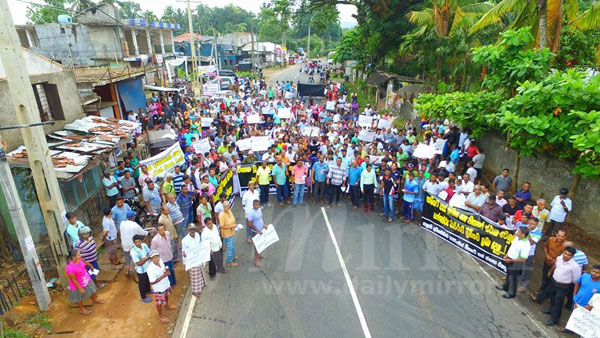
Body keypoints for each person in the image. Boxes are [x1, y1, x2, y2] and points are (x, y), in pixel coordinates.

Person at [534, 247, 581, 326]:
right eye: (565, 253)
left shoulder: (575, 267)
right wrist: (550, 271)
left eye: (569, 255)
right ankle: (550, 310)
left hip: (563, 286)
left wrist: (572, 289)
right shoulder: (559, 258)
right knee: (552, 297)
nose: (566, 256)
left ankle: (554, 319)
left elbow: (576, 280)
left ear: (572, 256)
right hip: (553, 281)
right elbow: (555, 266)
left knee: (558, 302)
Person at [65, 249, 103, 315]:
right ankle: (82, 309)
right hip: (77, 284)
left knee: (91, 289)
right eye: (78, 254)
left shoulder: (79, 259)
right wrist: (79, 288)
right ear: (74, 257)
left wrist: (90, 266)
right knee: (78, 297)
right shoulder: (70, 268)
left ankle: (95, 299)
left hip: (86, 279)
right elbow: (74, 280)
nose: (80, 255)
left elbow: (85, 262)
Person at [496, 226, 530, 299]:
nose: (517, 232)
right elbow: (511, 247)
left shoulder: (526, 245)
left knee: (513, 278)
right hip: (509, 259)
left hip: (516, 262)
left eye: (519, 232)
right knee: (508, 274)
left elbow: (523, 259)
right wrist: (507, 255)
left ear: (523, 234)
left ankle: (511, 293)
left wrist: (511, 260)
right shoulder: (517, 238)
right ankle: (505, 287)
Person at [147, 249, 177, 323]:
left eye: (157, 256)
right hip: (159, 288)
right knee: (159, 302)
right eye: (153, 257)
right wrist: (164, 275)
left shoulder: (161, 261)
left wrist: (166, 271)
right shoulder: (150, 269)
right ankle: (160, 315)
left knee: (167, 295)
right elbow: (152, 282)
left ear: (159, 256)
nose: (156, 259)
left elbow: (164, 270)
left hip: (165, 284)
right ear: (151, 259)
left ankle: (166, 306)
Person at [181, 223, 209, 297]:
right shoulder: (185, 240)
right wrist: (185, 257)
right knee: (194, 278)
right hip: (192, 262)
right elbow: (184, 252)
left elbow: (200, 245)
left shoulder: (197, 235)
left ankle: (200, 286)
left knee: (200, 274)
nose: (192, 230)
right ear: (188, 230)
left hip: (199, 259)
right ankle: (195, 291)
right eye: (191, 229)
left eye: (193, 229)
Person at [538, 229, 568, 295]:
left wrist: (556, 261)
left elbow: (566, 257)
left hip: (557, 266)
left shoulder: (566, 245)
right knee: (545, 277)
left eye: (562, 236)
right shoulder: (551, 239)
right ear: (556, 235)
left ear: (565, 237)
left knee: (553, 280)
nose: (560, 237)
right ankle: (542, 291)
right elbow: (545, 247)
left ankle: (549, 294)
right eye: (559, 235)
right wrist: (546, 255)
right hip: (547, 262)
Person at [119, 211, 148, 277]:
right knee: (136, 257)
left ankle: (127, 270)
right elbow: (143, 232)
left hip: (125, 244)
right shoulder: (134, 225)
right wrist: (147, 233)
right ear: (133, 217)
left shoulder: (122, 223)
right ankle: (137, 269)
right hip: (132, 245)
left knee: (127, 258)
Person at [518, 217, 542, 294]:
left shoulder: (538, 233)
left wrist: (527, 232)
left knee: (527, 269)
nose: (531, 225)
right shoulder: (523, 227)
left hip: (529, 254)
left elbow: (531, 242)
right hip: (519, 251)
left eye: (533, 224)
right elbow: (518, 236)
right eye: (530, 223)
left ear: (537, 225)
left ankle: (524, 286)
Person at [130, 234, 152, 303]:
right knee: (142, 284)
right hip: (141, 270)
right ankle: (143, 297)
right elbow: (138, 263)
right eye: (136, 242)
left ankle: (148, 290)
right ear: (133, 242)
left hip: (148, 267)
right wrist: (146, 258)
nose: (138, 243)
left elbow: (149, 253)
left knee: (147, 279)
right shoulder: (133, 252)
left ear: (141, 241)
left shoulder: (144, 245)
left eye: (139, 241)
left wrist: (143, 259)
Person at [247, 200, 268, 267]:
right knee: (257, 246)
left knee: (261, 244)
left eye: (258, 204)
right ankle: (256, 261)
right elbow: (250, 225)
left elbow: (260, 218)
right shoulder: (250, 213)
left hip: (261, 230)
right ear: (253, 205)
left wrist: (264, 225)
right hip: (255, 232)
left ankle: (259, 255)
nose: (257, 206)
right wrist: (257, 230)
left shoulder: (259, 209)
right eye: (255, 205)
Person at [218, 201, 237, 267]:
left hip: (232, 231)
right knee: (229, 248)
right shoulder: (221, 215)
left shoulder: (229, 211)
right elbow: (222, 226)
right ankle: (229, 262)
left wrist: (234, 225)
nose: (227, 208)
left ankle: (233, 256)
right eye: (225, 207)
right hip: (227, 234)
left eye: (228, 206)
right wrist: (231, 226)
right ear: (223, 207)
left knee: (233, 246)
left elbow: (233, 219)